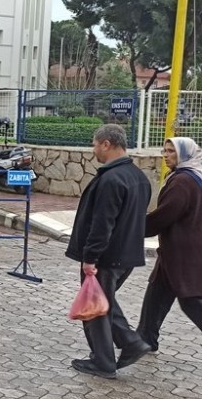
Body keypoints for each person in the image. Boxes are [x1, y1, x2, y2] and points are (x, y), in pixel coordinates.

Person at [66, 124, 153, 379]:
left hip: (106, 256)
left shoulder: (111, 179)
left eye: (95, 144)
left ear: (106, 144)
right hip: (126, 255)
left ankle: (111, 356)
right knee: (103, 303)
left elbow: (102, 224)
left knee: (96, 308)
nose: (93, 150)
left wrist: (90, 257)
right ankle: (116, 350)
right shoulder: (138, 177)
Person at [136, 137, 202, 356]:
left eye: (171, 151)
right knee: (157, 292)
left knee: (190, 300)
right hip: (176, 249)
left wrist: (134, 226)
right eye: (164, 150)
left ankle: (145, 338)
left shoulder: (183, 181)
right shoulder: (192, 176)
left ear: (184, 154)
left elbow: (165, 215)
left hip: (183, 251)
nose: (165, 155)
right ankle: (145, 339)